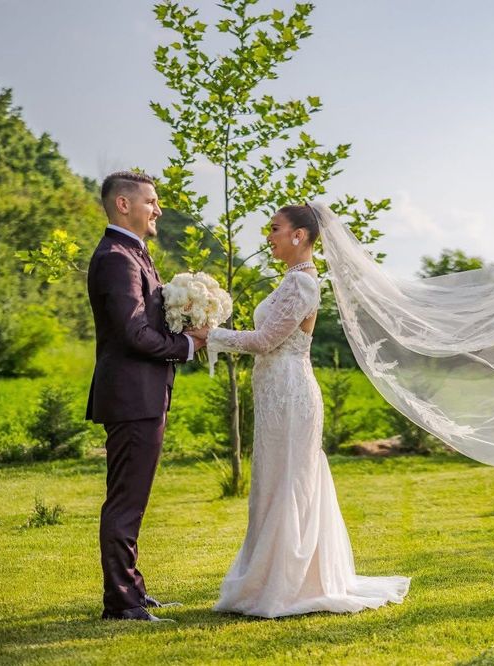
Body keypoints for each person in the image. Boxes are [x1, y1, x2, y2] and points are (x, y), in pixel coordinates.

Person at [208, 203, 410, 618]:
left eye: (276, 229)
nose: (270, 236)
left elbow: (265, 340)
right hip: (275, 392)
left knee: (288, 481)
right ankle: (269, 577)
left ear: (300, 235)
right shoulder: (290, 281)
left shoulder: (303, 286)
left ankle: (288, 583)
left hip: (291, 394)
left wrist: (208, 334)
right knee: (273, 480)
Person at [86, 171, 208, 622]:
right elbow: (134, 333)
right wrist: (189, 345)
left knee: (131, 500)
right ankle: (122, 604)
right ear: (123, 204)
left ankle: (132, 592)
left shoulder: (134, 254)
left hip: (142, 395)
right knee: (125, 501)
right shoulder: (118, 258)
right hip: (132, 396)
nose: (158, 210)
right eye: (152, 202)